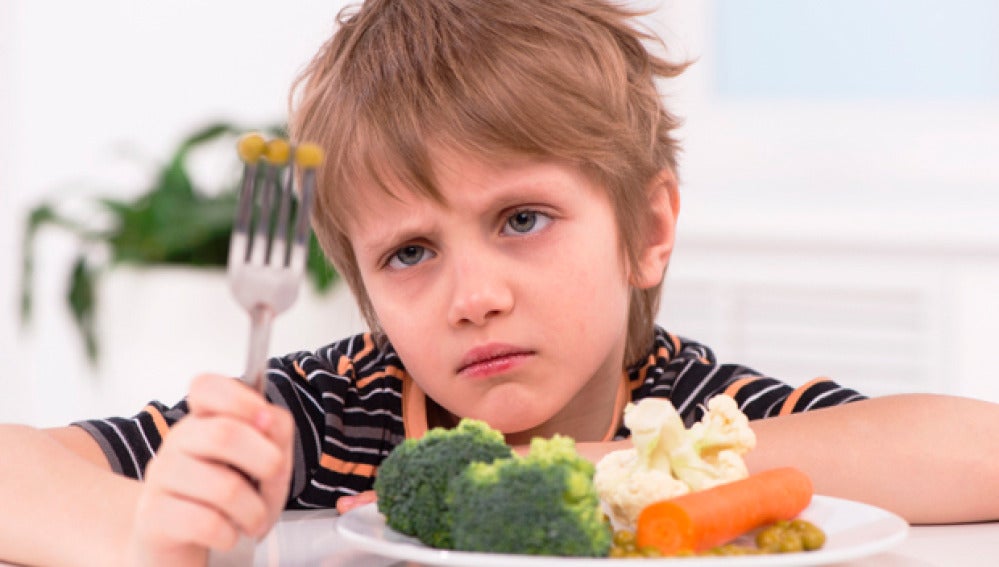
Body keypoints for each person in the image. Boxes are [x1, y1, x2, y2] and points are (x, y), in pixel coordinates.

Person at [2, 1, 999, 565]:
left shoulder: (684, 420)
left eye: (521, 220)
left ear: (647, 231)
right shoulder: (330, 415)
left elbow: (975, 449)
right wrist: (144, 529)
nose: (472, 295)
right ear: (365, 290)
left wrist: (606, 470)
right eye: (410, 252)